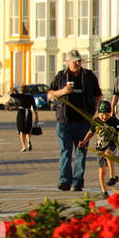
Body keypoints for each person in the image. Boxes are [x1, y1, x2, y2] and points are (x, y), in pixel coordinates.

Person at [47, 49, 102, 192]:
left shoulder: (89, 76)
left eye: (79, 60)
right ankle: (64, 180)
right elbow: (50, 95)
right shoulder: (60, 76)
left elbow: (98, 95)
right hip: (64, 122)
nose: (78, 63)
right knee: (65, 151)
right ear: (68, 62)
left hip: (83, 122)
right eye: (75, 61)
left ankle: (78, 182)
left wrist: (93, 110)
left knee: (81, 152)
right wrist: (63, 92)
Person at [79, 100, 119, 196]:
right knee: (102, 170)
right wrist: (84, 141)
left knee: (108, 154)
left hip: (111, 144)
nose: (104, 117)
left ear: (110, 113)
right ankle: (104, 191)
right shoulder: (96, 121)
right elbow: (90, 133)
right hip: (99, 147)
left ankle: (112, 176)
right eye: (102, 114)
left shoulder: (114, 121)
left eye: (106, 114)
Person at [11, 86, 37, 152]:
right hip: (29, 112)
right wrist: (36, 116)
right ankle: (29, 141)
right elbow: (34, 107)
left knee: (21, 130)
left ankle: (24, 146)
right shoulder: (30, 97)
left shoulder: (20, 96)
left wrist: (13, 90)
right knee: (28, 129)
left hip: (21, 112)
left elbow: (12, 95)